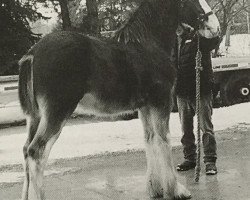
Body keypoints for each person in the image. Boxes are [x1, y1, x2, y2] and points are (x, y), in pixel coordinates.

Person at [172, 25, 220, 175]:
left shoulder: (199, 38)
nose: (177, 28)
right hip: (182, 92)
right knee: (185, 129)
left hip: (201, 90)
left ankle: (210, 161)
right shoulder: (175, 43)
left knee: (206, 128)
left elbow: (214, 40)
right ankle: (190, 158)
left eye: (180, 25)